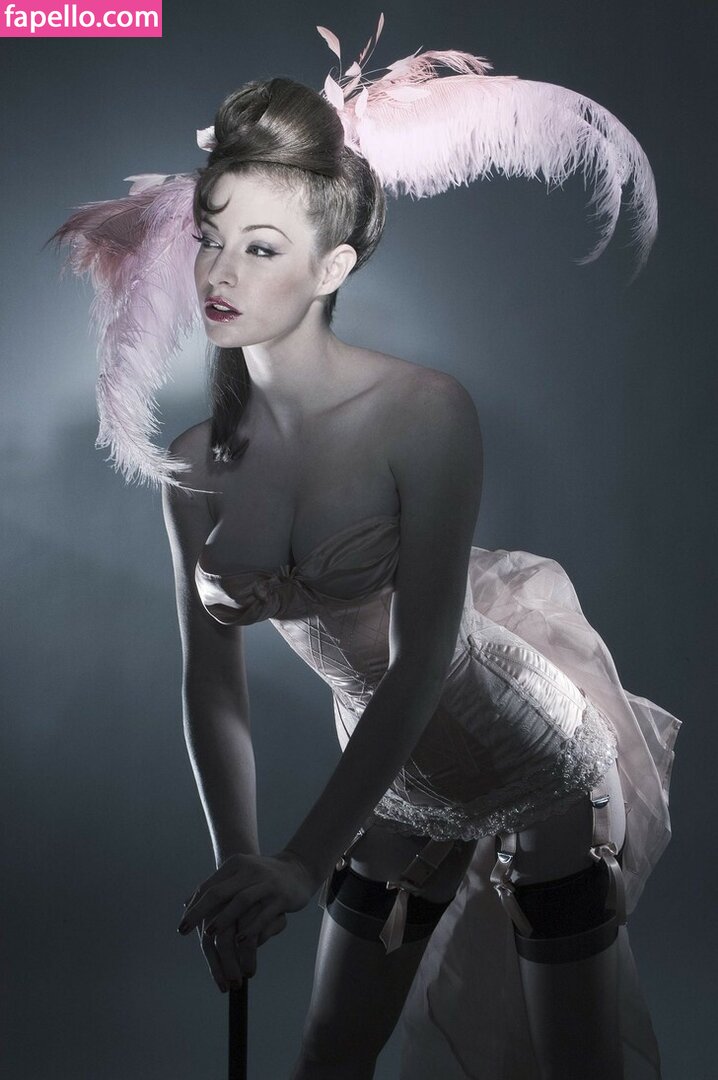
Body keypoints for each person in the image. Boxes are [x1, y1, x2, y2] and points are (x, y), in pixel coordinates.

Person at [50, 22, 680, 1080]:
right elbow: (212, 683)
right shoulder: (193, 463)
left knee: (577, 1066)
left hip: (524, 754)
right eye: (210, 237)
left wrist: (304, 861)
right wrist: (242, 870)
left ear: (332, 264)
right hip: (389, 769)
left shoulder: (424, 413)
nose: (219, 272)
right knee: (325, 1057)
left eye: (261, 248)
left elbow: (426, 655)